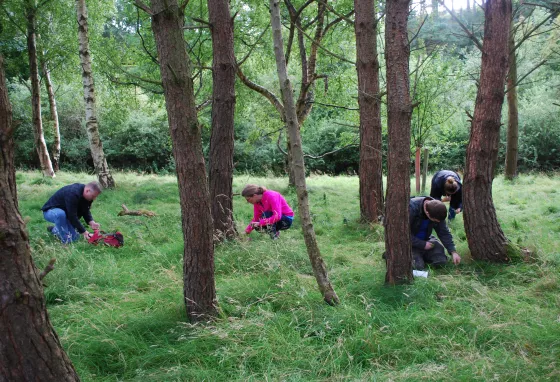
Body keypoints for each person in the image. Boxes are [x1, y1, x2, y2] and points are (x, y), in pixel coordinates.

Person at [410, 196, 461, 270]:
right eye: (435, 220)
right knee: (417, 267)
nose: (438, 222)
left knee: (441, 261)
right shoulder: (411, 208)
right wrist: (422, 244)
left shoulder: (437, 209)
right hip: (410, 244)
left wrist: (453, 251)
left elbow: (443, 232)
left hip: (427, 239)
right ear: (427, 213)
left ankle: (422, 257)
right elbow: (401, 235)